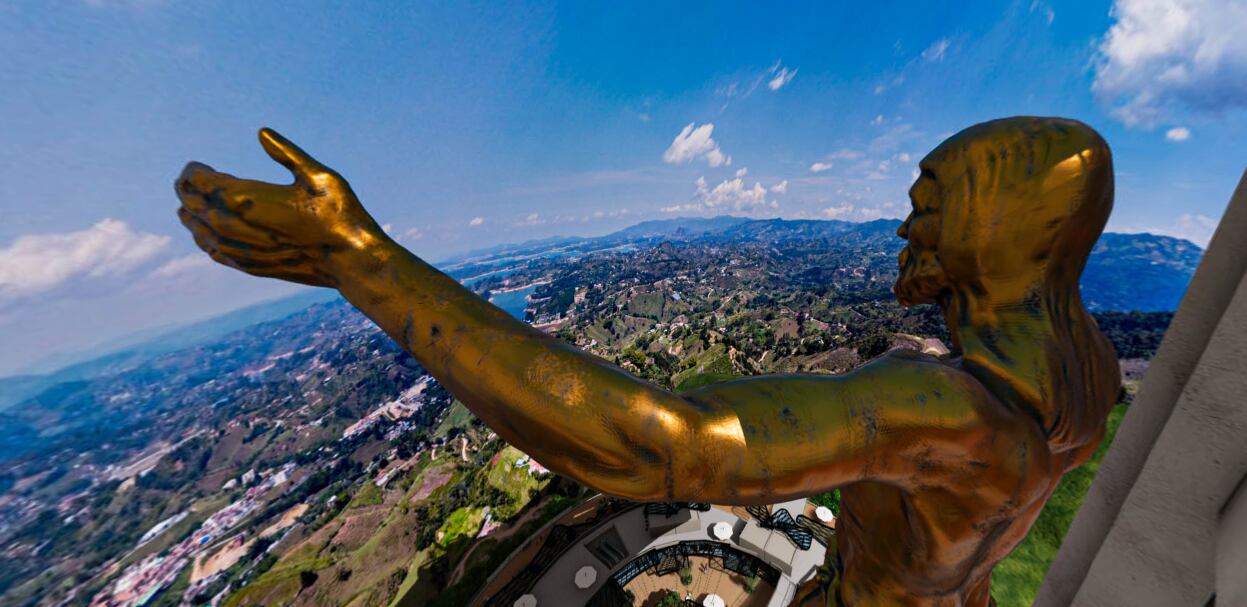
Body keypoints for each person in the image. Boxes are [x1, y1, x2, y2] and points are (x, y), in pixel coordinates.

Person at [174, 116, 1120, 606]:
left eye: (930, 201)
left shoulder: (944, 410)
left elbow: (665, 445)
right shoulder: (1086, 378)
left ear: (992, 225)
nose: (906, 225)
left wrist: (362, 259)